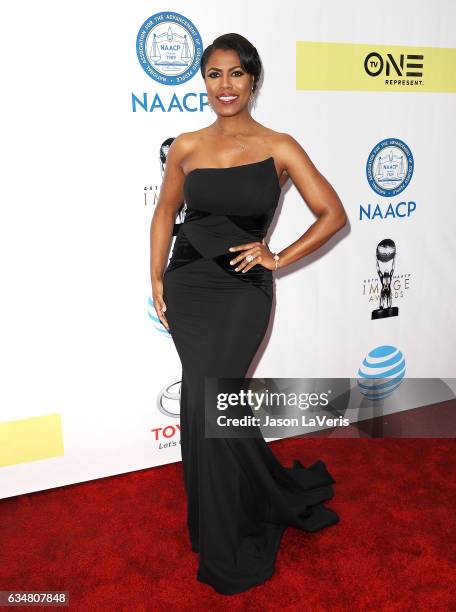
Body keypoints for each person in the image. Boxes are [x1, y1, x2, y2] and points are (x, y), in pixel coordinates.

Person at [150, 32, 347, 596]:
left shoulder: (280, 145)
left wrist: (278, 257)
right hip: (189, 286)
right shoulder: (186, 145)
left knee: (214, 396)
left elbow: (332, 213)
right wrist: (156, 275)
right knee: (205, 398)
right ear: (204, 82)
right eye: (214, 74)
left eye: (235, 74)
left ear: (253, 80)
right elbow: (165, 212)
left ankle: (233, 528)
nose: (224, 85)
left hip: (242, 291)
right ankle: (224, 516)